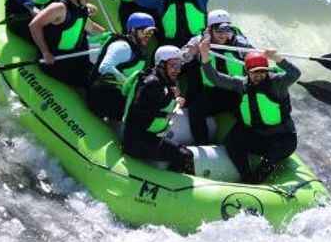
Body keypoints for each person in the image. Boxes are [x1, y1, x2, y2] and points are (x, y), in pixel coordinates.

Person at [197, 37, 301, 183]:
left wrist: (276, 58)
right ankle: (245, 176)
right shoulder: (241, 84)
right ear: (247, 72)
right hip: (258, 136)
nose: (259, 76)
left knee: (272, 157)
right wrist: (205, 54)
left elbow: (295, 74)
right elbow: (215, 79)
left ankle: (257, 180)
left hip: (282, 138)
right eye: (254, 72)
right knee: (232, 141)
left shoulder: (278, 83)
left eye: (262, 72)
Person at [121, 46, 195, 174]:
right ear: (161, 65)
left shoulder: (162, 80)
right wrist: (165, 113)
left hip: (149, 136)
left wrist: (175, 99)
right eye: (173, 65)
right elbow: (137, 115)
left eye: (179, 66)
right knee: (185, 155)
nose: (177, 70)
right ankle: (172, 189)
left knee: (183, 152)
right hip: (137, 141)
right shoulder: (152, 84)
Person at [182, 9, 251, 145]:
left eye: (226, 30)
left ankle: (248, 142)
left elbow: (254, 59)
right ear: (210, 29)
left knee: (250, 110)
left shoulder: (240, 43)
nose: (223, 35)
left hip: (235, 90)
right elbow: (181, 58)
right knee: (196, 110)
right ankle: (203, 144)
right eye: (219, 31)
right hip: (212, 92)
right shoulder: (199, 40)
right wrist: (191, 52)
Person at [28, 0, 104, 87]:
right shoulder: (59, 8)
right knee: (89, 83)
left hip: (73, 56)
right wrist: (45, 52)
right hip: (56, 60)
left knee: (99, 76)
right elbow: (34, 25)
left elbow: (89, 26)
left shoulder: (82, 8)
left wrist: (111, 36)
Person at [87, 12, 156, 120]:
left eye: (150, 33)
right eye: (145, 32)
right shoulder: (122, 47)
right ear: (133, 30)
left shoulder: (137, 50)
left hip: (115, 94)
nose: (148, 37)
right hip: (100, 95)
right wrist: (127, 84)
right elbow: (104, 67)